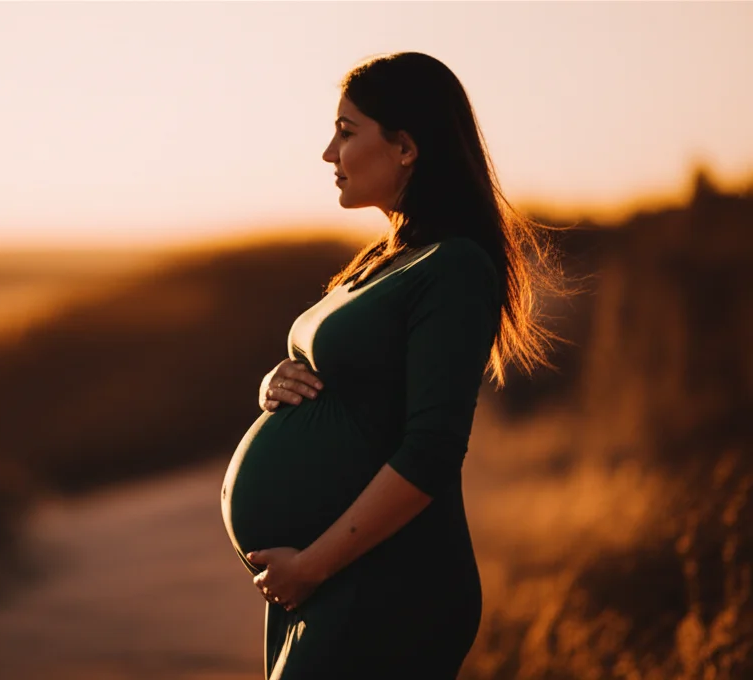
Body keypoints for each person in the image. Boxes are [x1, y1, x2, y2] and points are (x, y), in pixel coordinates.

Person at [219, 51, 563, 679]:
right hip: (329, 583)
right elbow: (356, 384)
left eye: (347, 132)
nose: (329, 153)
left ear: (405, 147)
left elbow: (431, 449)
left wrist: (314, 565)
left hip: (384, 586)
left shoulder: (454, 267)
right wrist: (278, 381)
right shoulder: (385, 259)